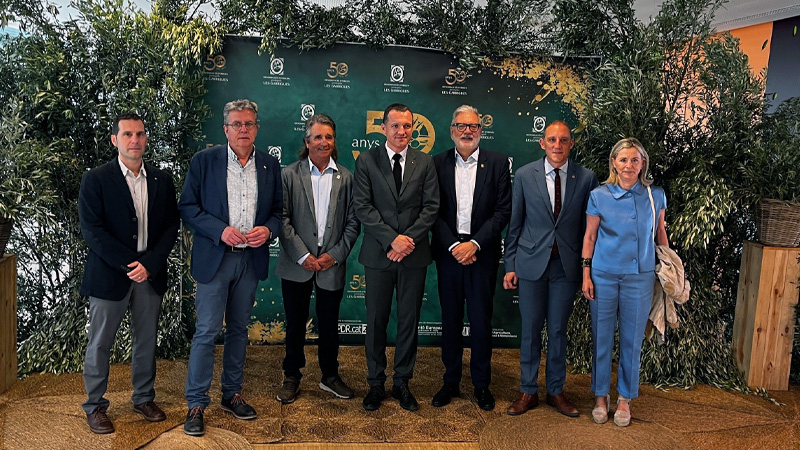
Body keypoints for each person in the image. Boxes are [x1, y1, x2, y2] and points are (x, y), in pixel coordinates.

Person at [179, 99, 282, 436]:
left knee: (239, 329)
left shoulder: (269, 164)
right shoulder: (204, 161)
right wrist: (219, 230)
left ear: (257, 128)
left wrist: (268, 230)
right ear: (225, 129)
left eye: (249, 124)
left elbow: (278, 212)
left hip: (250, 260)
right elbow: (188, 207)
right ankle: (196, 403)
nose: (243, 129)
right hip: (216, 258)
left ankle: (232, 394)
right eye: (237, 124)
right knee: (207, 330)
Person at [78, 112, 180, 434]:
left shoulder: (162, 179)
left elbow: (171, 226)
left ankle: (144, 398)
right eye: (127, 134)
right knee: (100, 343)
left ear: (146, 138)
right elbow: (93, 231)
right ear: (115, 140)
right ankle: (95, 406)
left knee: (146, 341)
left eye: (139, 134)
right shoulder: (96, 179)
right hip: (110, 276)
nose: (134, 140)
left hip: (150, 275)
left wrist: (150, 263)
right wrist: (129, 265)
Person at [503, 120, 598, 417]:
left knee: (557, 330)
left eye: (564, 140)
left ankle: (556, 390)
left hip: (565, 268)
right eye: (552, 140)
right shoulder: (523, 175)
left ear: (571, 144)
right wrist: (510, 264)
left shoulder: (586, 178)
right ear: (542, 143)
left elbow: (588, 229)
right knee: (530, 330)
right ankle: (528, 391)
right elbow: (515, 223)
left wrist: (586, 269)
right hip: (531, 264)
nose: (558, 145)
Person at [353, 103, 440, 411]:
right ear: (383, 128)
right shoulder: (366, 160)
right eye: (395, 126)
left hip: (413, 256)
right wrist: (392, 239)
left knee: (408, 321)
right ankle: (375, 383)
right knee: (376, 320)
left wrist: (407, 241)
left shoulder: (425, 162)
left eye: (407, 126)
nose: (402, 131)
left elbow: (431, 207)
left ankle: (402, 382)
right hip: (379, 255)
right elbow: (363, 206)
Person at [581, 138, 668, 427]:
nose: (629, 165)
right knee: (601, 337)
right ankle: (600, 397)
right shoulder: (598, 195)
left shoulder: (656, 195)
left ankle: (625, 399)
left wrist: (668, 268)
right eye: (623, 160)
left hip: (640, 278)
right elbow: (590, 237)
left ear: (642, 164)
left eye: (634, 160)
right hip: (603, 275)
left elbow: (661, 235)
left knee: (632, 341)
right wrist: (586, 274)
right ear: (614, 163)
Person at [430, 105, 511, 411]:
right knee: (450, 320)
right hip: (448, 254)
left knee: (480, 321)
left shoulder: (498, 163)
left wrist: (474, 244)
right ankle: (450, 380)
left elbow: (502, 211)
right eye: (461, 126)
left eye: (473, 126)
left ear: (481, 131)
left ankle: (481, 384)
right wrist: (454, 246)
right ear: (452, 130)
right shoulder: (436, 163)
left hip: (482, 254)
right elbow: (432, 211)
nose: (467, 131)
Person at [275, 114, 360, 404]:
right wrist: (302, 255)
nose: (324, 142)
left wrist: (333, 256)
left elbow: (353, 223)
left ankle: (330, 375)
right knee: (295, 323)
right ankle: (292, 375)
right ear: (307, 141)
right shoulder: (289, 175)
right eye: (318, 137)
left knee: (329, 323)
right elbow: (282, 219)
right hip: (296, 263)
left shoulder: (347, 178)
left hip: (330, 264)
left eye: (329, 137)